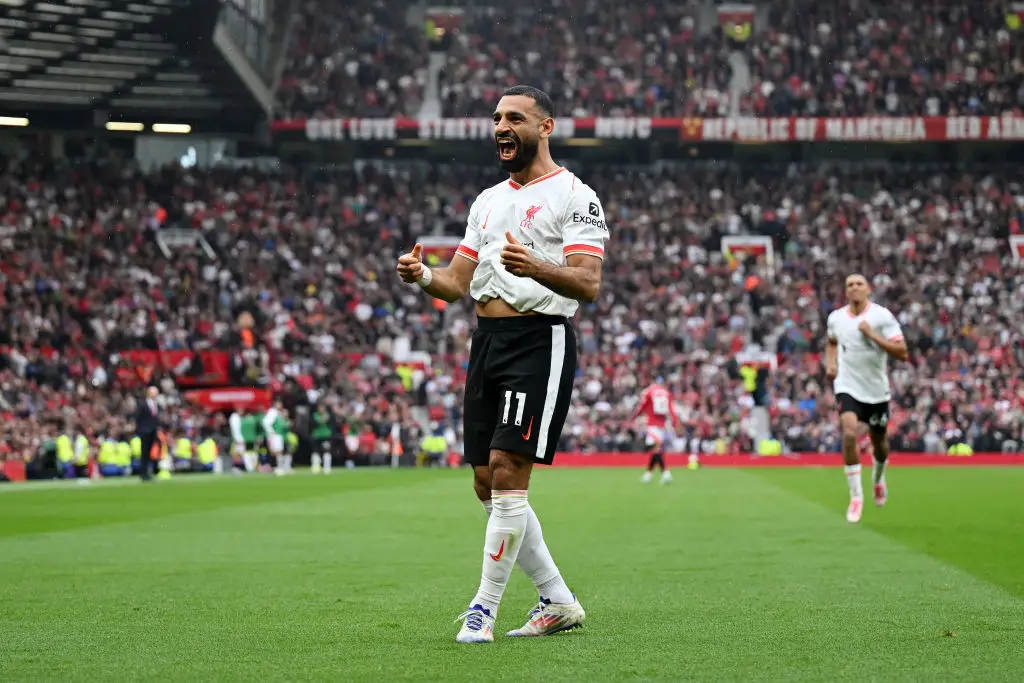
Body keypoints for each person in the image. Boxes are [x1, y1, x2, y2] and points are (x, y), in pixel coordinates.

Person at [396, 85, 607, 643]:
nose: (500, 127)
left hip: (540, 339)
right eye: (495, 118)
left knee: (510, 475)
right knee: (487, 484)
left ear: (545, 127)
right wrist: (421, 277)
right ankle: (557, 600)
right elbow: (455, 285)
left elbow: (588, 283)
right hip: (486, 341)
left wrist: (537, 267)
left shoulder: (575, 196)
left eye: (514, 117)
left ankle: (482, 609)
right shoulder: (487, 201)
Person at [825, 274, 908, 524]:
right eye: (849, 284)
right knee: (849, 433)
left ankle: (878, 478)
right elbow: (831, 341)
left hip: (876, 390)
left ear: (868, 289)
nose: (854, 287)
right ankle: (856, 496)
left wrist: (872, 335)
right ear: (846, 291)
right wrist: (831, 364)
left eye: (859, 283)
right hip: (847, 385)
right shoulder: (836, 318)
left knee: (879, 442)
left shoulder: (881, 316)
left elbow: (902, 352)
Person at [631, 378, 676, 485]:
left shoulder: (649, 392)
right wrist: (675, 422)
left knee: (655, 450)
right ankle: (648, 474)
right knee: (655, 449)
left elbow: (642, 406)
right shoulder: (666, 393)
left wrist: (634, 417)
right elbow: (671, 409)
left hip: (652, 424)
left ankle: (666, 473)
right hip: (662, 425)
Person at [134, 386, 161, 481]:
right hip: (144, 431)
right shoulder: (142, 404)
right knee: (144, 453)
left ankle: (149, 472)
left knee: (150, 453)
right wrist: (140, 429)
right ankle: (143, 473)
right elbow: (138, 417)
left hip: (153, 431)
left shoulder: (156, 404)